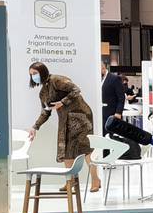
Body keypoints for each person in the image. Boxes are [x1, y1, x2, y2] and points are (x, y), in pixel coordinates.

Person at [26, 62, 102, 193]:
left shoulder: (57, 80)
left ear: (42, 71)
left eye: (35, 73)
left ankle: (95, 179)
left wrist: (62, 102)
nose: (33, 77)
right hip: (65, 119)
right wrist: (35, 127)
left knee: (85, 149)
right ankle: (69, 180)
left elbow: (76, 90)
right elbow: (45, 112)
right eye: (31, 74)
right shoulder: (43, 93)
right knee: (66, 150)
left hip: (81, 116)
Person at [100, 60, 125, 129]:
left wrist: (118, 112)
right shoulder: (97, 79)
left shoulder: (115, 78)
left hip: (111, 114)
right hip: (100, 114)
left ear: (103, 67)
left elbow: (121, 98)